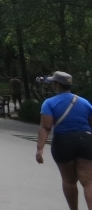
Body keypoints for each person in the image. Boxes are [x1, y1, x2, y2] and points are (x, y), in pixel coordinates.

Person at [36, 71, 92, 210]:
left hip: (63, 142)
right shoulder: (85, 102)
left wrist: (40, 149)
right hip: (85, 141)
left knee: (69, 181)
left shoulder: (49, 103)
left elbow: (46, 126)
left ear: (56, 85)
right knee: (89, 182)